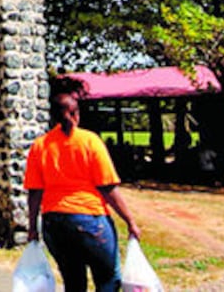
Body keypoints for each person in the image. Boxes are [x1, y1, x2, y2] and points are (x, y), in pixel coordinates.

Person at [26, 81, 142, 292]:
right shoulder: (90, 141)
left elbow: (34, 192)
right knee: (108, 278)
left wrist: (33, 227)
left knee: (73, 280)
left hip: (54, 223)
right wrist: (130, 221)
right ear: (76, 114)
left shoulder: (40, 145)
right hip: (90, 220)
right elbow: (107, 188)